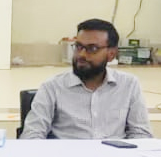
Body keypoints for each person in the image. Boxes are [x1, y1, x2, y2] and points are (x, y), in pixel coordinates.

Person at [20, 18, 152, 141]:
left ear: (111, 54)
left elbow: (141, 135)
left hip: (114, 156)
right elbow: (32, 135)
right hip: (66, 156)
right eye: (78, 47)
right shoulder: (52, 87)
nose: (82, 54)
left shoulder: (128, 85)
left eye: (92, 49)